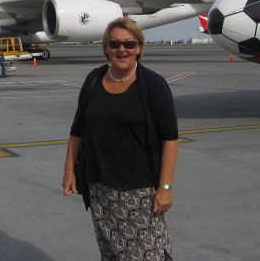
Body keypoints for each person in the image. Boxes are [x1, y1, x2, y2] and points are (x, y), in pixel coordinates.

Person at [62, 17, 179, 260]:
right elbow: (77, 132)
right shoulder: (93, 80)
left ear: (139, 48)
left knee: (150, 254)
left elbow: (170, 139)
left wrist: (165, 187)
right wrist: (70, 171)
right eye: (114, 44)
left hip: (139, 190)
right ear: (106, 48)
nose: (122, 50)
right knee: (111, 253)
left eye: (129, 44)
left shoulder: (153, 85)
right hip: (99, 187)